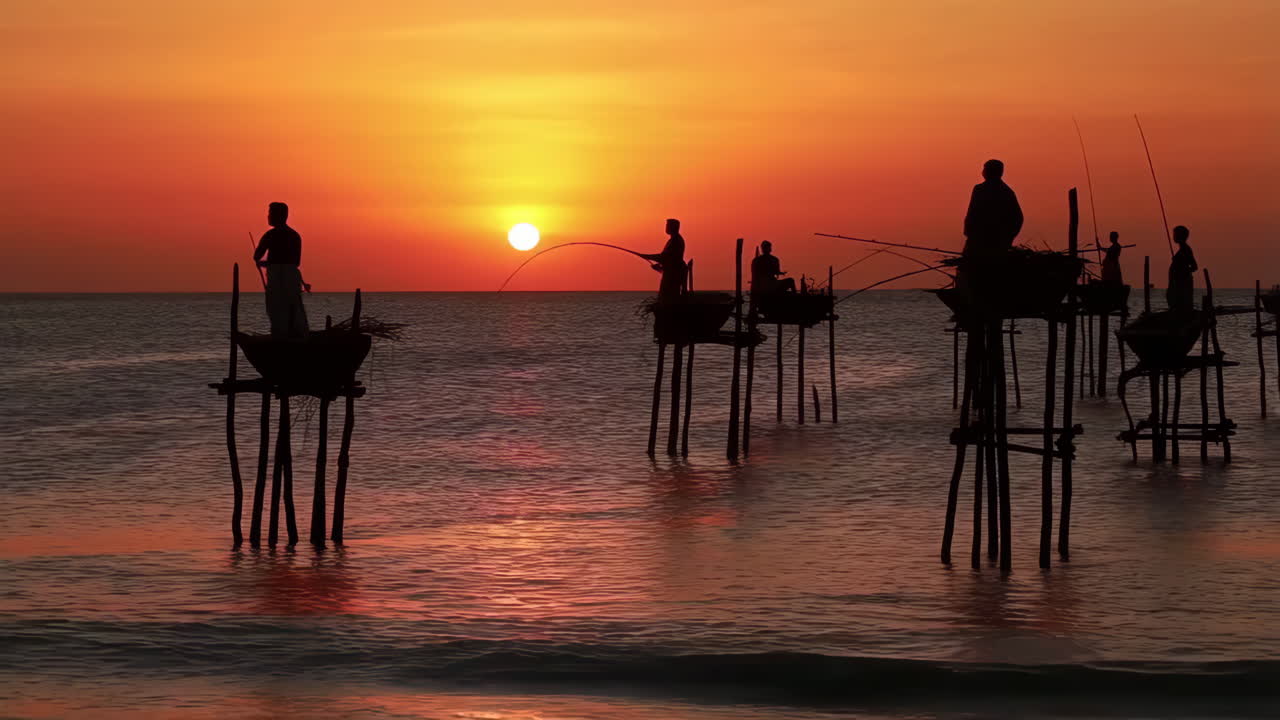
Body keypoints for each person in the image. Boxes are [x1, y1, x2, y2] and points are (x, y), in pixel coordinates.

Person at [254, 202, 310, 339]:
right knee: (294, 307)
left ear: (278, 216)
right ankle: (299, 336)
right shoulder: (295, 236)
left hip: (277, 277)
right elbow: (295, 262)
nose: (268, 216)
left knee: (276, 307)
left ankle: (281, 337)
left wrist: (265, 263)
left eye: (270, 213)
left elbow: (256, 256)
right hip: (292, 276)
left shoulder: (270, 235)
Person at [962, 159, 1024, 259]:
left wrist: (970, 234)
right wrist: (1007, 239)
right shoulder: (1007, 192)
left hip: (981, 242)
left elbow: (972, 214)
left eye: (985, 169)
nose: (983, 172)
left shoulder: (980, 190)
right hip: (995, 244)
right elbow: (1018, 219)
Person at [641, 218, 687, 301]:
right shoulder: (673, 240)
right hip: (671, 274)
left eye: (668, 225)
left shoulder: (676, 241)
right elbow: (667, 259)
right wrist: (660, 267)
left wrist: (647, 256)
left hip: (673, 276)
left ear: (674, 227)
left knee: (668, 297)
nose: (666, 227)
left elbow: (665, 257)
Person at [1166, 225, 1198, 313]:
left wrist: (1181, 270)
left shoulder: (1186, 250)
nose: (1173, 236)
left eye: (1175, 234)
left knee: (1179, 303)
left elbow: (1194, 266)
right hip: (1177, 283)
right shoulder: (1182, 249)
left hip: (1182, 283)